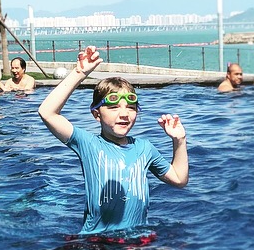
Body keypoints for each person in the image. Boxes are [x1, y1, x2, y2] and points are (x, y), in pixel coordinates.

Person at [38, 45, 188, 238]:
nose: (124, 114)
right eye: (114, 107)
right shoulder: (89, 144)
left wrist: (179, 140)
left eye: (131, 107)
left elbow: (179, 180)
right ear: (96, 114)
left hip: (137, 238)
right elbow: (47, 112)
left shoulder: (144, 148)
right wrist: (79, 73)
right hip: (97, 240)